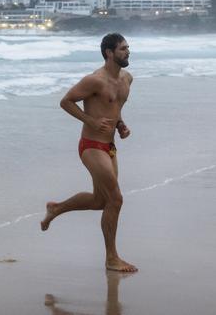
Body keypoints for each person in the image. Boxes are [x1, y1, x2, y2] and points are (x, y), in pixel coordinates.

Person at [41, 33, 137, 272]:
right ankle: (111, 258)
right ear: (109, 53)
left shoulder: (127, 79)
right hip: (91, 146)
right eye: (123, 49)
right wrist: (91, 122)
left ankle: (56, 208)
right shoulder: (95, 80)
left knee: (100, 201)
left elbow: (114, 108)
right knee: (116, 199)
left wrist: (120, 125)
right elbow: (66, 101)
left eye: (128, 48)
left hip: (110, 147)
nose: (128, 52)